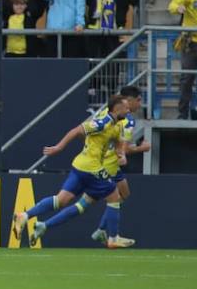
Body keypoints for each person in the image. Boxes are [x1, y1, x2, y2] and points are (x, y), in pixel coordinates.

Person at [12, 94, 134, 248]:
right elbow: (77, 131)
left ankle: (24, 216)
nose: (129, 110)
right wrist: (59, 147)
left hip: (80, 166)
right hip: (92, 168)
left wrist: (120, 154)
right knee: (115, 197)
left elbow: (116, 141)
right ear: (117, 109)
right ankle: (113, 237)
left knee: (61, 200)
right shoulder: (103, 122)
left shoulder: (116, 125)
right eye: (126, 107)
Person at [90, 85, 149, 246]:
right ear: (128, 101)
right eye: (138, 100)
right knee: (83, 203)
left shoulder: (105, 112)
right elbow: (124, 149)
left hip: (99, 160)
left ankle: (102, 230)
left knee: (122, 194)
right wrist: (142, 148)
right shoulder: (127, 119)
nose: (140, 104)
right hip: (108, 163)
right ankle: (109, 235)